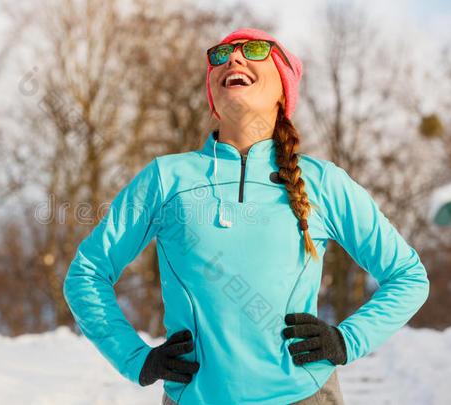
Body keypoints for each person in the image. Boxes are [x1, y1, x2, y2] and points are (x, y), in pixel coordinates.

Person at [62, 28, 430, 405]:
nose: (234, 58)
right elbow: (86, 274)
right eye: (221, 55)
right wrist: (135, 359)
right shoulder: (165, 179)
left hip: (304, 397)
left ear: (284, 90)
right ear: (212, 95)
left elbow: (409, 277)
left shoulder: (322, 182)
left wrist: (347, 340)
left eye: (253, 50)